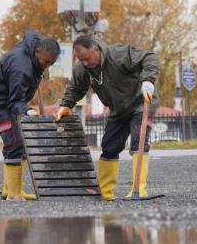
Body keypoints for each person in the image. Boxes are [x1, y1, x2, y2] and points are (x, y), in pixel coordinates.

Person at [54, 34, 159, 201]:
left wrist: (148, 80)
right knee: (109, 146)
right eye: (81, 60)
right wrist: (66, 105)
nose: (86, 63)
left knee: (139, 140)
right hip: (118, 109)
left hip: (140, 101)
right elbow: (75, 88)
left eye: (87, 58)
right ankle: (106, 192)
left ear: (96, 49)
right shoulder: (82, 69)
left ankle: (138, 190)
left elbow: (149, 57)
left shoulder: (118, 55)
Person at [0, 30, 60, 201]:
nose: (47, 65)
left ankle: (10, 188)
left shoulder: (38, 47)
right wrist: (29, 111)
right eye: (46, 61)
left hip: (12, 100)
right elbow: (15, 102)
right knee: (14, 143)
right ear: (37, 52)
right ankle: (13, 193)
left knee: (23, 141)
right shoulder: (21, 67)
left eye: (52, 63)